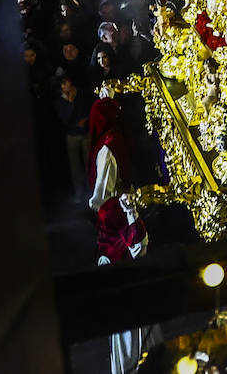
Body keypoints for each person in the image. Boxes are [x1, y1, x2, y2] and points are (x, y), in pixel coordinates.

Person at [86, 97, 159, 372]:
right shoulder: (117, 213)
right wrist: (131, 214)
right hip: (125, 278)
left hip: (119, 276)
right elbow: (139, 247)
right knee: (129, 332)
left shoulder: (109, 212)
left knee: (126, 333)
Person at [55, 74, 92, 199]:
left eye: (68, 82)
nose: (67, 85)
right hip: (72, 135)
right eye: (64, 84)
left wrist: (85, 119)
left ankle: (92, 189)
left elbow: (88, 106)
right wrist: (70, 102)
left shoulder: (80, 93)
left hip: (85, 132)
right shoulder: (60, 100)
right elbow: (65, 118)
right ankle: (79, 191)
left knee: (89, 162)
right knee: (75, 165)